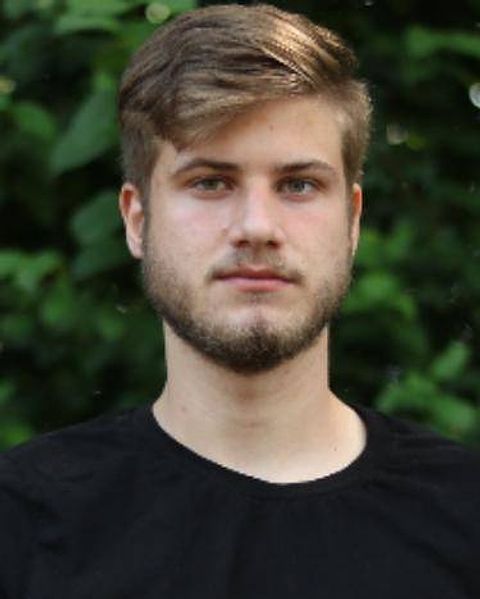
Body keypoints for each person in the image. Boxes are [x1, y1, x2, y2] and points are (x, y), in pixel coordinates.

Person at [1, 4, 479, 597]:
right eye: (210, 182)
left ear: (352, 222)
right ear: (137, 220)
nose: (257, 227)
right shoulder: (22, 523)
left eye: (298, 184)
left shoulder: (466, 517)